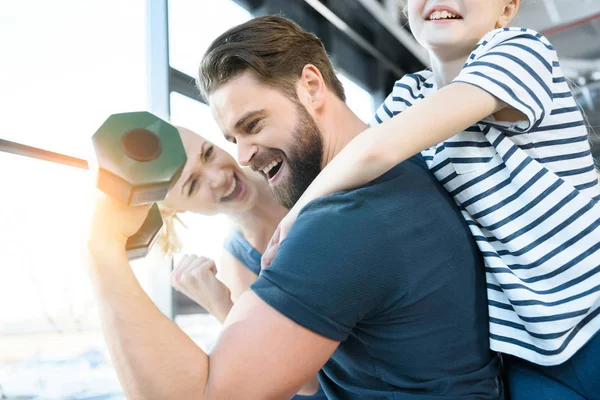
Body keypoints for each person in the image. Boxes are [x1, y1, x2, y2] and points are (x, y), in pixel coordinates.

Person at [85, 15, 502, 399]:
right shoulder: (396, 166)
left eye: (252, 125)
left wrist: (102, 253)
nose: (243, 158)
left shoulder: (344, 225)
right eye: (234, 139)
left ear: (312, 86)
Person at [265, 1, 600, 399]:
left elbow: (374, 152)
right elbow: (355, 170)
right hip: (527, 352)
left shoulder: (522, 51)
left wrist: (297, 215)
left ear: (506, 9)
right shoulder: (409, 94)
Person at [158, 127, 326, 398]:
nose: (218, 177)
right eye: (193, 184)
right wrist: (222, 306)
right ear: (179, 209)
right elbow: (307, 383)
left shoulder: (295, 165)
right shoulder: (238, 270)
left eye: (208, 153)